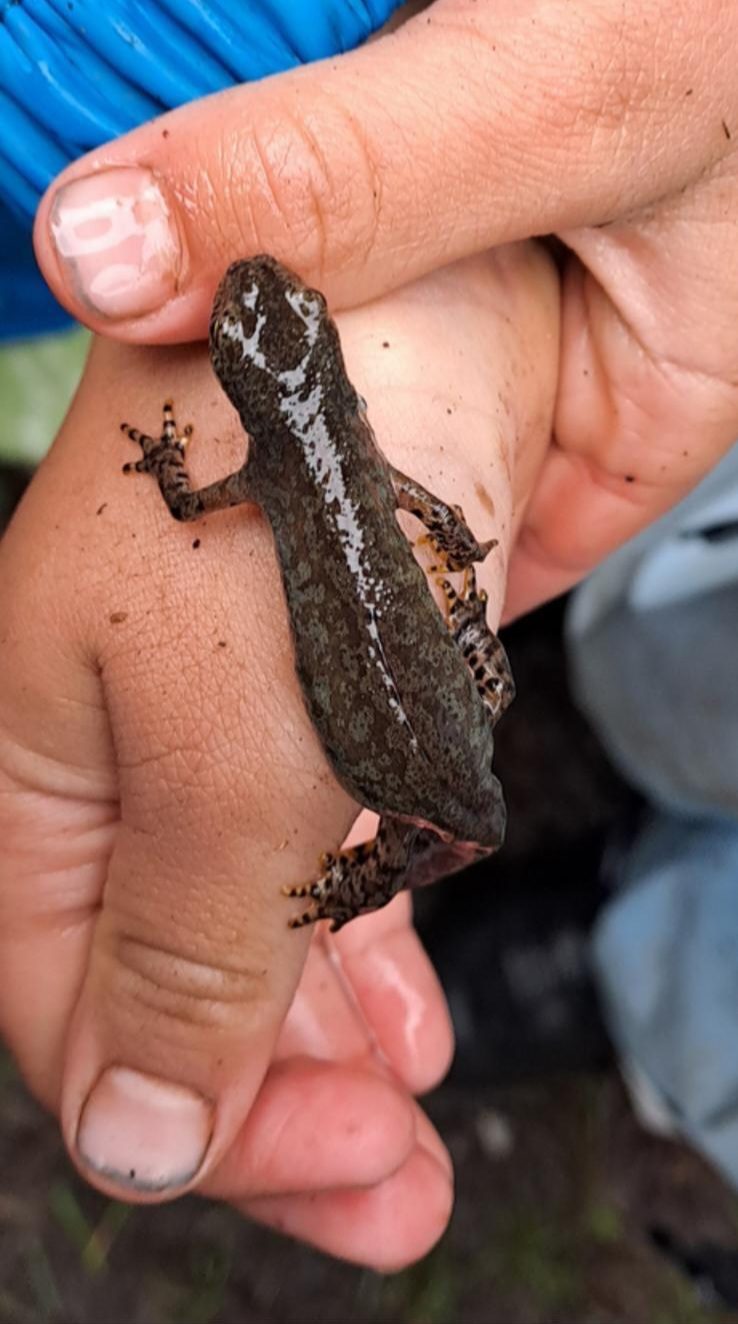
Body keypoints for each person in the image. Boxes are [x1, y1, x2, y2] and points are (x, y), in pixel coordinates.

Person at [1, 0, 738, 1269]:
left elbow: (188, 498)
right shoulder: (347, 447)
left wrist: (171, 458)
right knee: (499, 726)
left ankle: (459, 877)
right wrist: (460, 573)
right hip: (444, 743)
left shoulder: (269, 468)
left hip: (432, 781)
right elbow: (433, 512)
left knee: (452, 798)